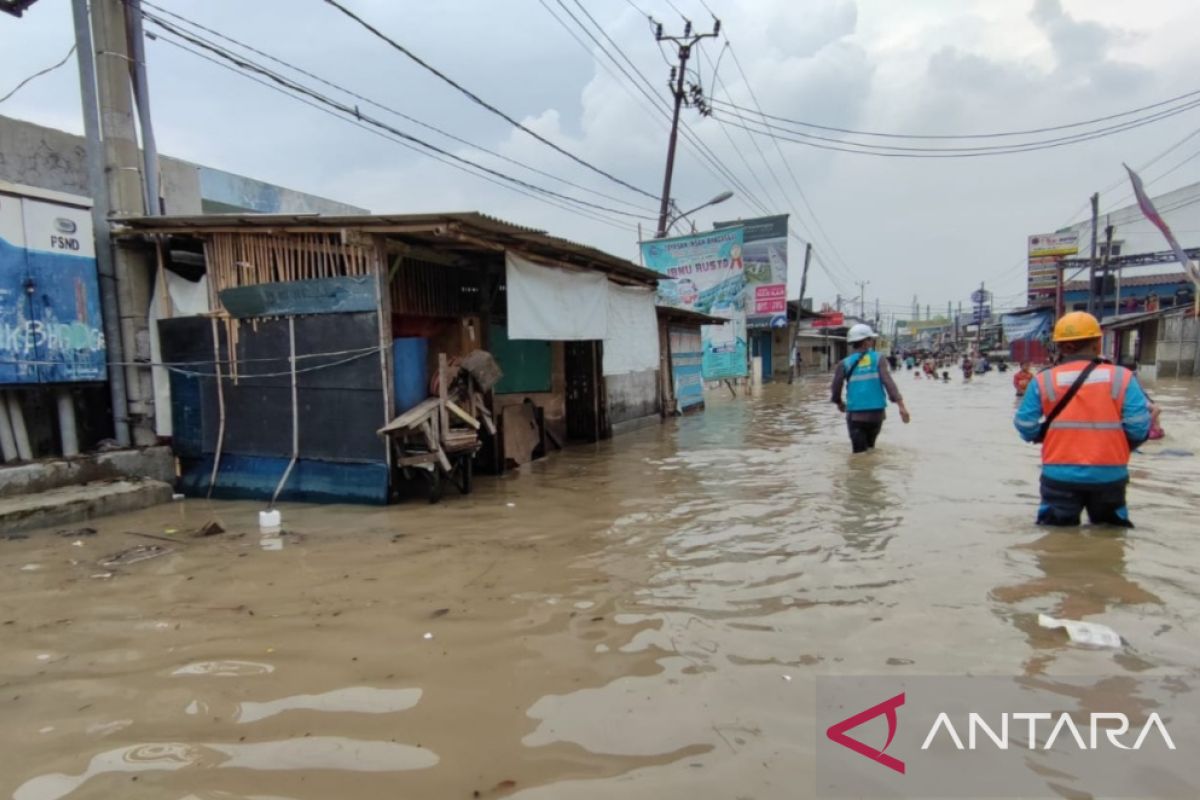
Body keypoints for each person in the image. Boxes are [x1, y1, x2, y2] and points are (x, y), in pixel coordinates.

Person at [1014, 312, 1151, 527]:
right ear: (1098, 343)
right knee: (1110, 537)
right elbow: (1139, 426)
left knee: (1055, 539)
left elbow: (1024, 425)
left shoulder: (1044, 380)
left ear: (1060, 347)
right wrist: (1118, 444)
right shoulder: (1122, 376)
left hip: (1059, 474)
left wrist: (1042, 435)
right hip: (1110, 474)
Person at [830, 324, 911, 453]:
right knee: (870, 449)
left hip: (856, 415)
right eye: (870, 339)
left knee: (859, 454)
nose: (872, 341)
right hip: (876, 415)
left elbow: (835, 389)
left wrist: (839, 403)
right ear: (865, 342)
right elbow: (888, 383)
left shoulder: (844, 363)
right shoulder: (879, 358)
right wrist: (901, 406)